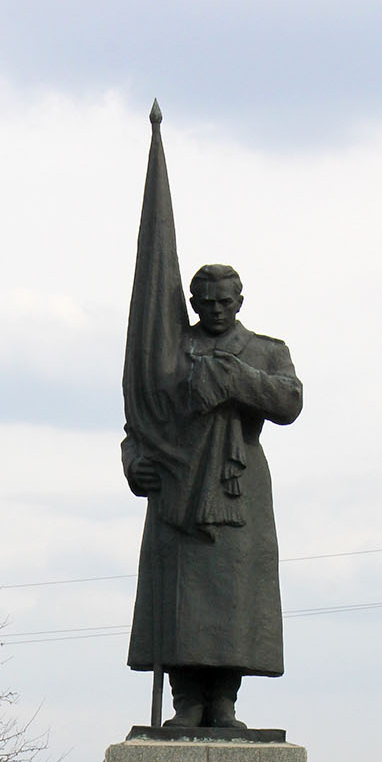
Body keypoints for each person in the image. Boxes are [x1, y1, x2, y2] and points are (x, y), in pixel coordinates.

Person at [122, 264, 302, 728]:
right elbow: (140, 422)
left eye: (225, 301)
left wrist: (235, 378)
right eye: (206, 302)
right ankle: (187, 703)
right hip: (178, 487)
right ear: (193, 302)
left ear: (240, 301)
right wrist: (134, 463)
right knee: (180, 595)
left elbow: (289, 403)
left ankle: (224, 700)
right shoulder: (169, 352)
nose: (216, 310)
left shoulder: (265, 351)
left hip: (236, 488)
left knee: (234, 594)